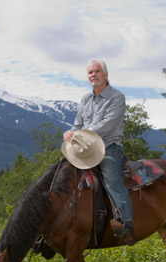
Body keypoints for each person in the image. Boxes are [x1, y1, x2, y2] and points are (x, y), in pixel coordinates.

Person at [63, 59, 135, 246]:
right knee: (62, 173)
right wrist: (70, 132)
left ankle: (126, 222)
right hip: (86, 147)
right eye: (90, 73)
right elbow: (77, 124)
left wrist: (81, 134)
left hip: (109, 146)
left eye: (96, 71)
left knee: (112, 180)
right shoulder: (85, 100)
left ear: (106, 75)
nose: (93, 75)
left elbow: (107, 125)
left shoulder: (117, 97)